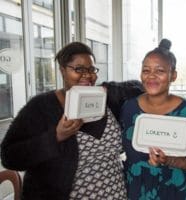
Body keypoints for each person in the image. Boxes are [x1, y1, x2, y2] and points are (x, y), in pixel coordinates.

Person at [0, 41, 144, 200]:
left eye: (91, 69)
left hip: (115, 193)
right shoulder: (40, 106)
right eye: (79, 69)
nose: (88, 75)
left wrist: (107, 88)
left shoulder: (107, 99)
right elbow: (9, 157)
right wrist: (56, 136)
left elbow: (138, 88)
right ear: (62, 70)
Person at [120, 39, 186, 200]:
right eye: (146, 70)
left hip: (179, 192)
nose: (151, 76)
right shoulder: (129, 108)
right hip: (138, 191)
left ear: (173, 75)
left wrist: (169, 160)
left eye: (160, 71)